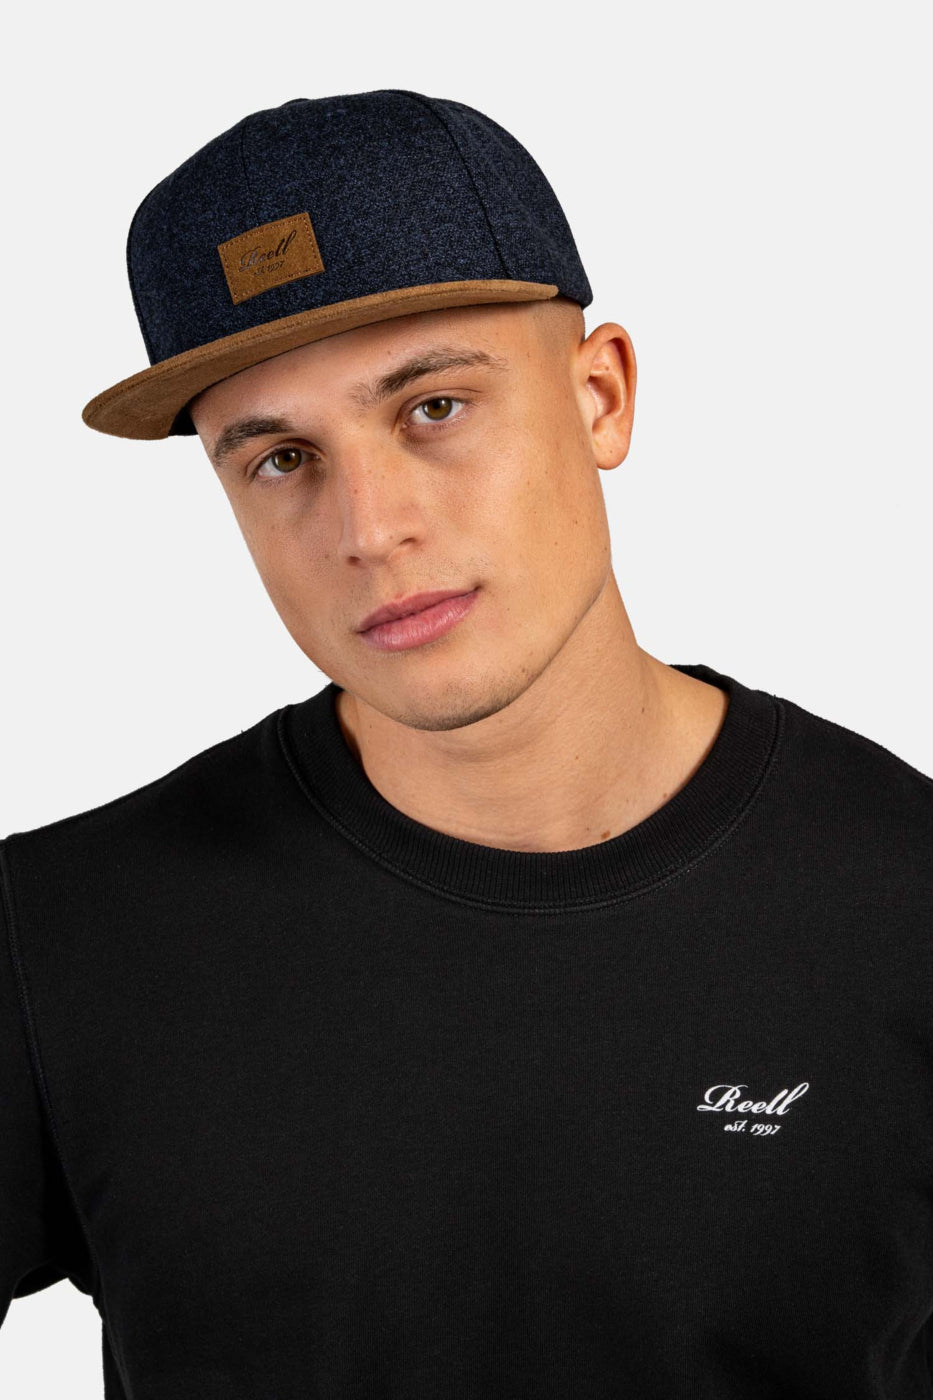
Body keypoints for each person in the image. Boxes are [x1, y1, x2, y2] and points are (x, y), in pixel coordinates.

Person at [1, 89, 930, 1400]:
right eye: (280, 460)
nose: (368, 529)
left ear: (601, 397)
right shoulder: (56, 937)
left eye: (433, 408)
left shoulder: (905, 906)